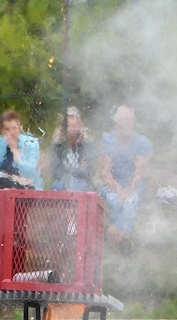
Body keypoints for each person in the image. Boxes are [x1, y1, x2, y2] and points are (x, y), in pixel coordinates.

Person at [98, 105, 152, 254]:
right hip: (112, 184)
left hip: (134, 184)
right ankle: (123, 238)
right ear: (115, 123)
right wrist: (118, 190)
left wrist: (129, 190)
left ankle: (117, 233)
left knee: (130, 201)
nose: (125, 123)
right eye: (121, 120)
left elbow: (139, 173)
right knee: (115, 200)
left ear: (133, 122)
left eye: (128, 119)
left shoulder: (142, 143)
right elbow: (105, 172)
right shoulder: (108, 141)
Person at [0, 110, 44, 205]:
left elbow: (31, 172)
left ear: (20, 127)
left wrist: (15, 151)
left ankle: (12, 218)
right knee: (0, 187)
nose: (11, 132)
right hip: (3, 184)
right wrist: (14, 178)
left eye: (14, 128)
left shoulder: (31, 144)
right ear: (2, 130)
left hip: (28, 185)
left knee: (15, 191)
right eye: (7, 129)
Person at [50, 106, 95, 192]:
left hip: (82, 182)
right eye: (69, 126)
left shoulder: (86, 143)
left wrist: (74, 172)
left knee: (82, 186)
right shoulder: (57, 144)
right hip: (61, 181)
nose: (72, 129)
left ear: (80, 126)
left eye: (75, 126)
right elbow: (55, 170)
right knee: (58, 186)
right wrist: (78, 170)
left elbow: (90, 170)